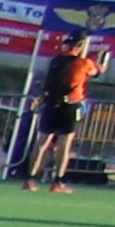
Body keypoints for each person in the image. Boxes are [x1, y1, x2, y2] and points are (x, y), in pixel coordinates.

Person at [18, 26, 93, 190]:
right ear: (80, 46)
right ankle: (58, 181)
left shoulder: (55, 61)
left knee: (41, 142)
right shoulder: (83, 63)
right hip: (69, 106)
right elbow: (95, 71)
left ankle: (30, 179)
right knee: (64, 145)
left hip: (51, 103)